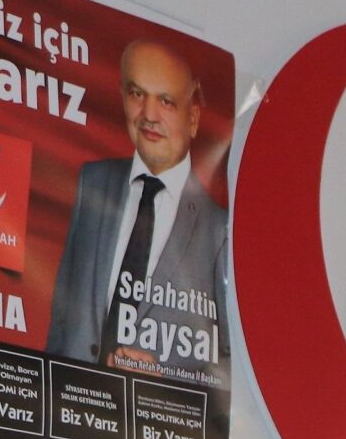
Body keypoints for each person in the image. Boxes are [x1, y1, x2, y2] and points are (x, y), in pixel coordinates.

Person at [46, 39, 229, 382]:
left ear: (193, 118)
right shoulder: (93, 181)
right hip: (68, 400)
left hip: (154, 414)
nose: (149, 115)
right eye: (137, 94)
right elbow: (62, 319)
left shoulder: (220, 230)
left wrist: (164, 380)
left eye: (166, 101)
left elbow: (232, 367)